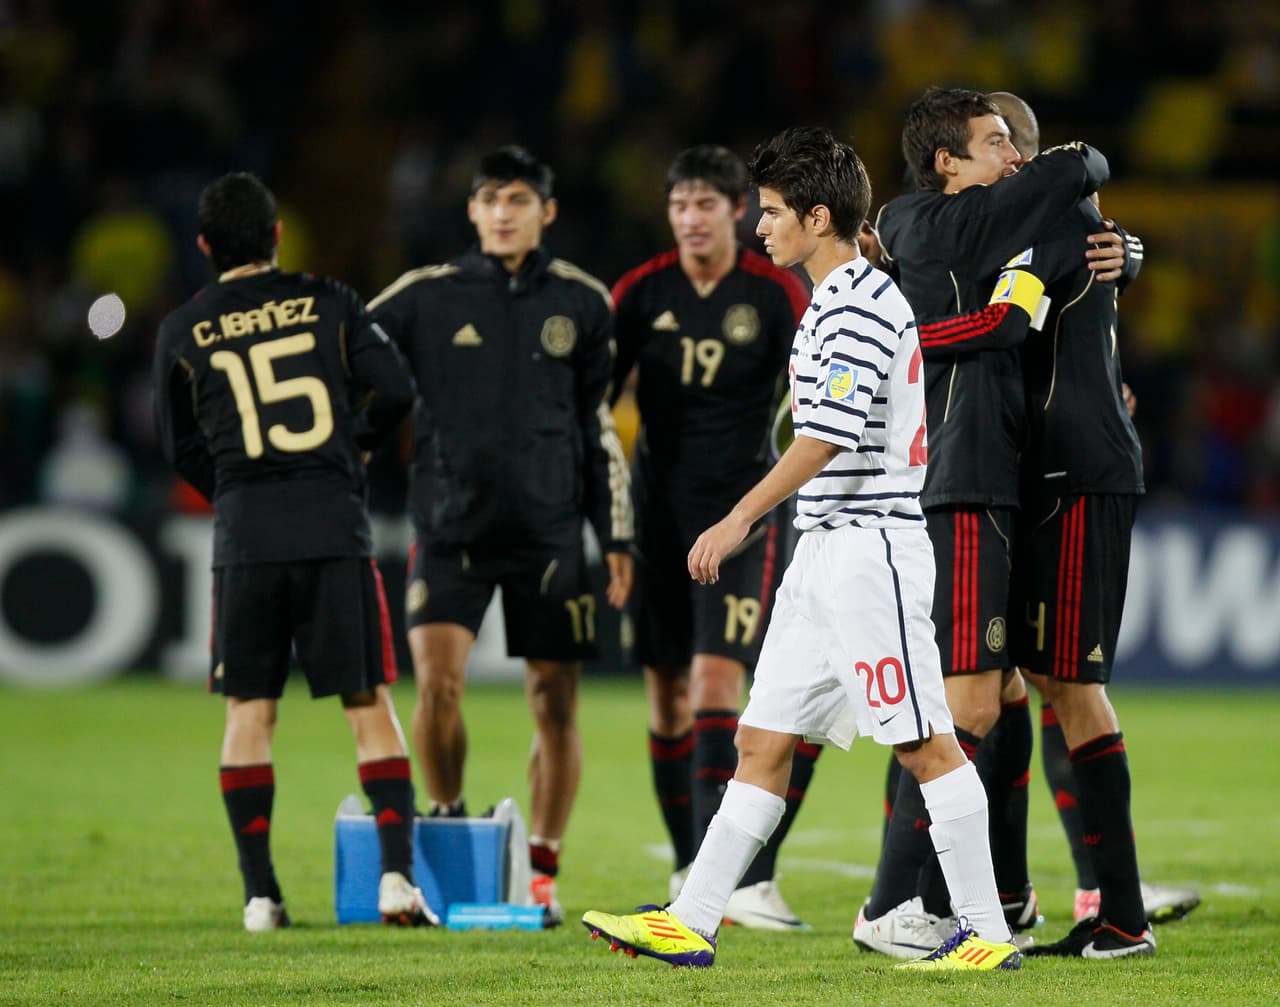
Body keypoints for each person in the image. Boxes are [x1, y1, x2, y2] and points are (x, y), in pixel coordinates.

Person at [582, 126, 1021, 971]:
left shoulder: (861, 301)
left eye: (775, 212)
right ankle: (692, 917)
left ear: (820, 218)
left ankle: (987, 932)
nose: (761, 227)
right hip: (823, 552)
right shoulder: (831, 300)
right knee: (763, 740)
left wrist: (736, 516)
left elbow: (827, 433)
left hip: (871, 554)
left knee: (925, 738)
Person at [855, 86, 1113, 957]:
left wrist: (1115, 252)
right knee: (964, 699)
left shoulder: (973, 229)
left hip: (990, 475)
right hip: (960, 476)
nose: (1012, 158)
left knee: (996, 694)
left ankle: (997, 894)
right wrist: (1013, 304)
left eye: (1014, 144)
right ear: (946, 162)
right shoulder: (925, 220)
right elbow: (1076, 172)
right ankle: (900, 903)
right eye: (995, 143)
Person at [152, 172, 432, 931]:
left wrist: (240, 489)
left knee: (250, 711)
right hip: (331, 525)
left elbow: (176, 445)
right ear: (277, 235)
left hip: (245, 536)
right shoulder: (331, 300)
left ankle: (260, 895)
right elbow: (397, 390)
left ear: (205, 245)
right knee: (368, 705)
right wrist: (352, 452)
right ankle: (398, 881)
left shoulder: (182, 329)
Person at [368, 146, 634, 926]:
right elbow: (347, 347)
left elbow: (596, 429)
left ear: (546, 211)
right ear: (473, 212)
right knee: (438, 683)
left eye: (519, 198)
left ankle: (542, 864)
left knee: (554, 700)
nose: (504, 211)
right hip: (448, 528)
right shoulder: (425, 296)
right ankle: (447, 815)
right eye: (490, 199)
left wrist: (613, 535)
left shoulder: (583, 303)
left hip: (549, 534)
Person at [610, 145, 814, 929]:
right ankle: (689, 860)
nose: (691, 219)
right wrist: (618, 533)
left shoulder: (773, 292)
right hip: (658, 521)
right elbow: (595, 402)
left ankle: (711, 885)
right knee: (665, 701)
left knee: (715, 687)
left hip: (742, 519)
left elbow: (810, 392)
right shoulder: (642, 291)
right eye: (679, 206)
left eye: (705, 205)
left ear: (736, 210)